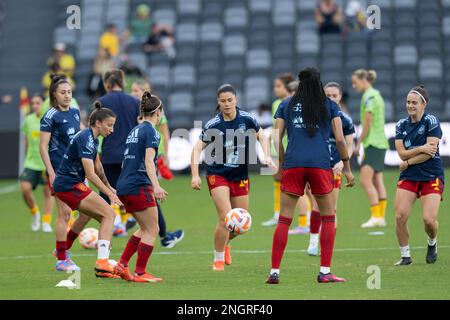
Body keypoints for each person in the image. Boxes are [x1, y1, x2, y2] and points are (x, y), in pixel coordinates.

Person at [266, 68, 355, 284]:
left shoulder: (285, 104)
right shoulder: (330, 105)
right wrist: (348, 168)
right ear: (319, 82)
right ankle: (325, 272)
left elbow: (276, 138)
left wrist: (282, 162)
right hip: (320, 165)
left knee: (285, 219)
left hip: (294, 164)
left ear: (300, 82)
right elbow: (341, 140)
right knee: (329, 217)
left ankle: (274, 272)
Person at [191, 84, 275, 271]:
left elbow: (262, 137)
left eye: (230, 100)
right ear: (218, 103)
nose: (227, 104)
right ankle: (218, 258)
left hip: (240, 176)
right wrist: (195, 175)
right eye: (223, 101)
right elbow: (197, 149)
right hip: (217, 174)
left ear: (236, 100)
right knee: (226, 218)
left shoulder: (247, 119)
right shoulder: (213, 124)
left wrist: (267, 156)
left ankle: (226, 243)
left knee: (241, 225)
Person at [53, 103, 122, 278]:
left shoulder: (93, 139)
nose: (112, 130)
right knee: (109, 214)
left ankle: (66, 251)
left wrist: (110, 187)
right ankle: (102, 263)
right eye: (109, 125)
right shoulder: (85, 138)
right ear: (98, 123)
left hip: (69, 184)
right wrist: (109, 193)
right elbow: (90, 174)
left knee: (95, 216)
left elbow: (98, 167)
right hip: (69, 184)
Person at [114, 92, 167, 283]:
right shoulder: (152, 132)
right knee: (153, 229)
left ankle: (121, 265)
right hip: (138, 184)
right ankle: (141, 272)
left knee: (144, 228)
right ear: (158, 112)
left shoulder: (134, 131)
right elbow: (148, 161)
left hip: (124, 184)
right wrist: (156, 185)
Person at [40, 75, 89, 271]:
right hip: (59, 171)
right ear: (54, 95)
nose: (67, 96)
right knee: (65, 213)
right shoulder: (50, 116)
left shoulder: (76, 113)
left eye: (69, 92)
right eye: (63, 92)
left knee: (85, 214)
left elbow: (81, 136)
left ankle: (63, 248)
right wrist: (51, 172)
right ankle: (62, 260)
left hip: (76, 171)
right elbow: (43, 147)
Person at [130, 79, 184, 248]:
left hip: (153, 154)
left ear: (144, 91)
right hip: (139, 155)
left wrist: (166, 155)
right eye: (132, 91)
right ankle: (158, 232)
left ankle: (156, 231)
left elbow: (165, 133)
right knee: (147, 193)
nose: (133, 94)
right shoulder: (133, 107)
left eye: (136, 91)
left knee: (149, 193)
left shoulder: (154, 108)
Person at [394, 86, 444, 266]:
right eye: (408, 102)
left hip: (431, 174)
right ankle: (405, 256)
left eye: (414, 102)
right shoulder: (401, 125)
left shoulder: (431, 121)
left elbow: (430, 153)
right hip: (409, 177)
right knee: (400, 216)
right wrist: (421, 148)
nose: (410, 105)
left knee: (429, 220)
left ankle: (432, 242)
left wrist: (408, 162)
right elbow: (401, 153)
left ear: (424, 104)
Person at [307, 82, 355, 256]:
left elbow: (350, 145)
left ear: (340, 97)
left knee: (331, 209)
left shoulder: (345, 120)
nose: (331, 99)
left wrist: (342, 163)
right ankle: (313, 241)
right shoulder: (313, 118)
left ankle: (326, 246)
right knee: (316, 207)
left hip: (335, 168)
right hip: (316, 168)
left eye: (335, 95)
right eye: (328, 96)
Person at [262, 74, 310, 236]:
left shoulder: (287, 104)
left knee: (298, 189)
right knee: (291, 186)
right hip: (295, 151)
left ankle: (305, 222)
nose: (275, 89)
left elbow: (278, 132)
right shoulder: (299, 104)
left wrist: (270, 142)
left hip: (289, 151)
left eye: (278, 86)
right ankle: (299, 219)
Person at [98, 69, 140, 236]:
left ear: (107, 83)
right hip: (129, 155)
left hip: (108, 155)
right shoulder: (134, 101)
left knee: (105, 194)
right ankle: (130, 225)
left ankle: (106, 232)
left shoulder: (101, 101)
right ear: (122, 82)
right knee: (130, 193)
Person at [352, 69, 389, 228]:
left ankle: (376, 216)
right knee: (377, 180)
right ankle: (381, 217)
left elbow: (368, 121)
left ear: (363, 80)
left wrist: (359, 142)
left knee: (365, 180)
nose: (354, 86)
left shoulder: (368, 97)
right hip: (381, 142)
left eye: (355, 82)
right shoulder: (377, 94)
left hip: (373, 142)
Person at [20, 94, 53, 232]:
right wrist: (26, 158)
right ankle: (35, 213)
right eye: (33, 103)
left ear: (43, 104)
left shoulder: (49, 120)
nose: (35, 105)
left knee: (48, 193)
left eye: (38, 103)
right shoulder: (28, 120)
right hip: (31, 163)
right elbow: (27, 141)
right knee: (25, 189)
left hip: (45, 163)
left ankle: (46, 222)